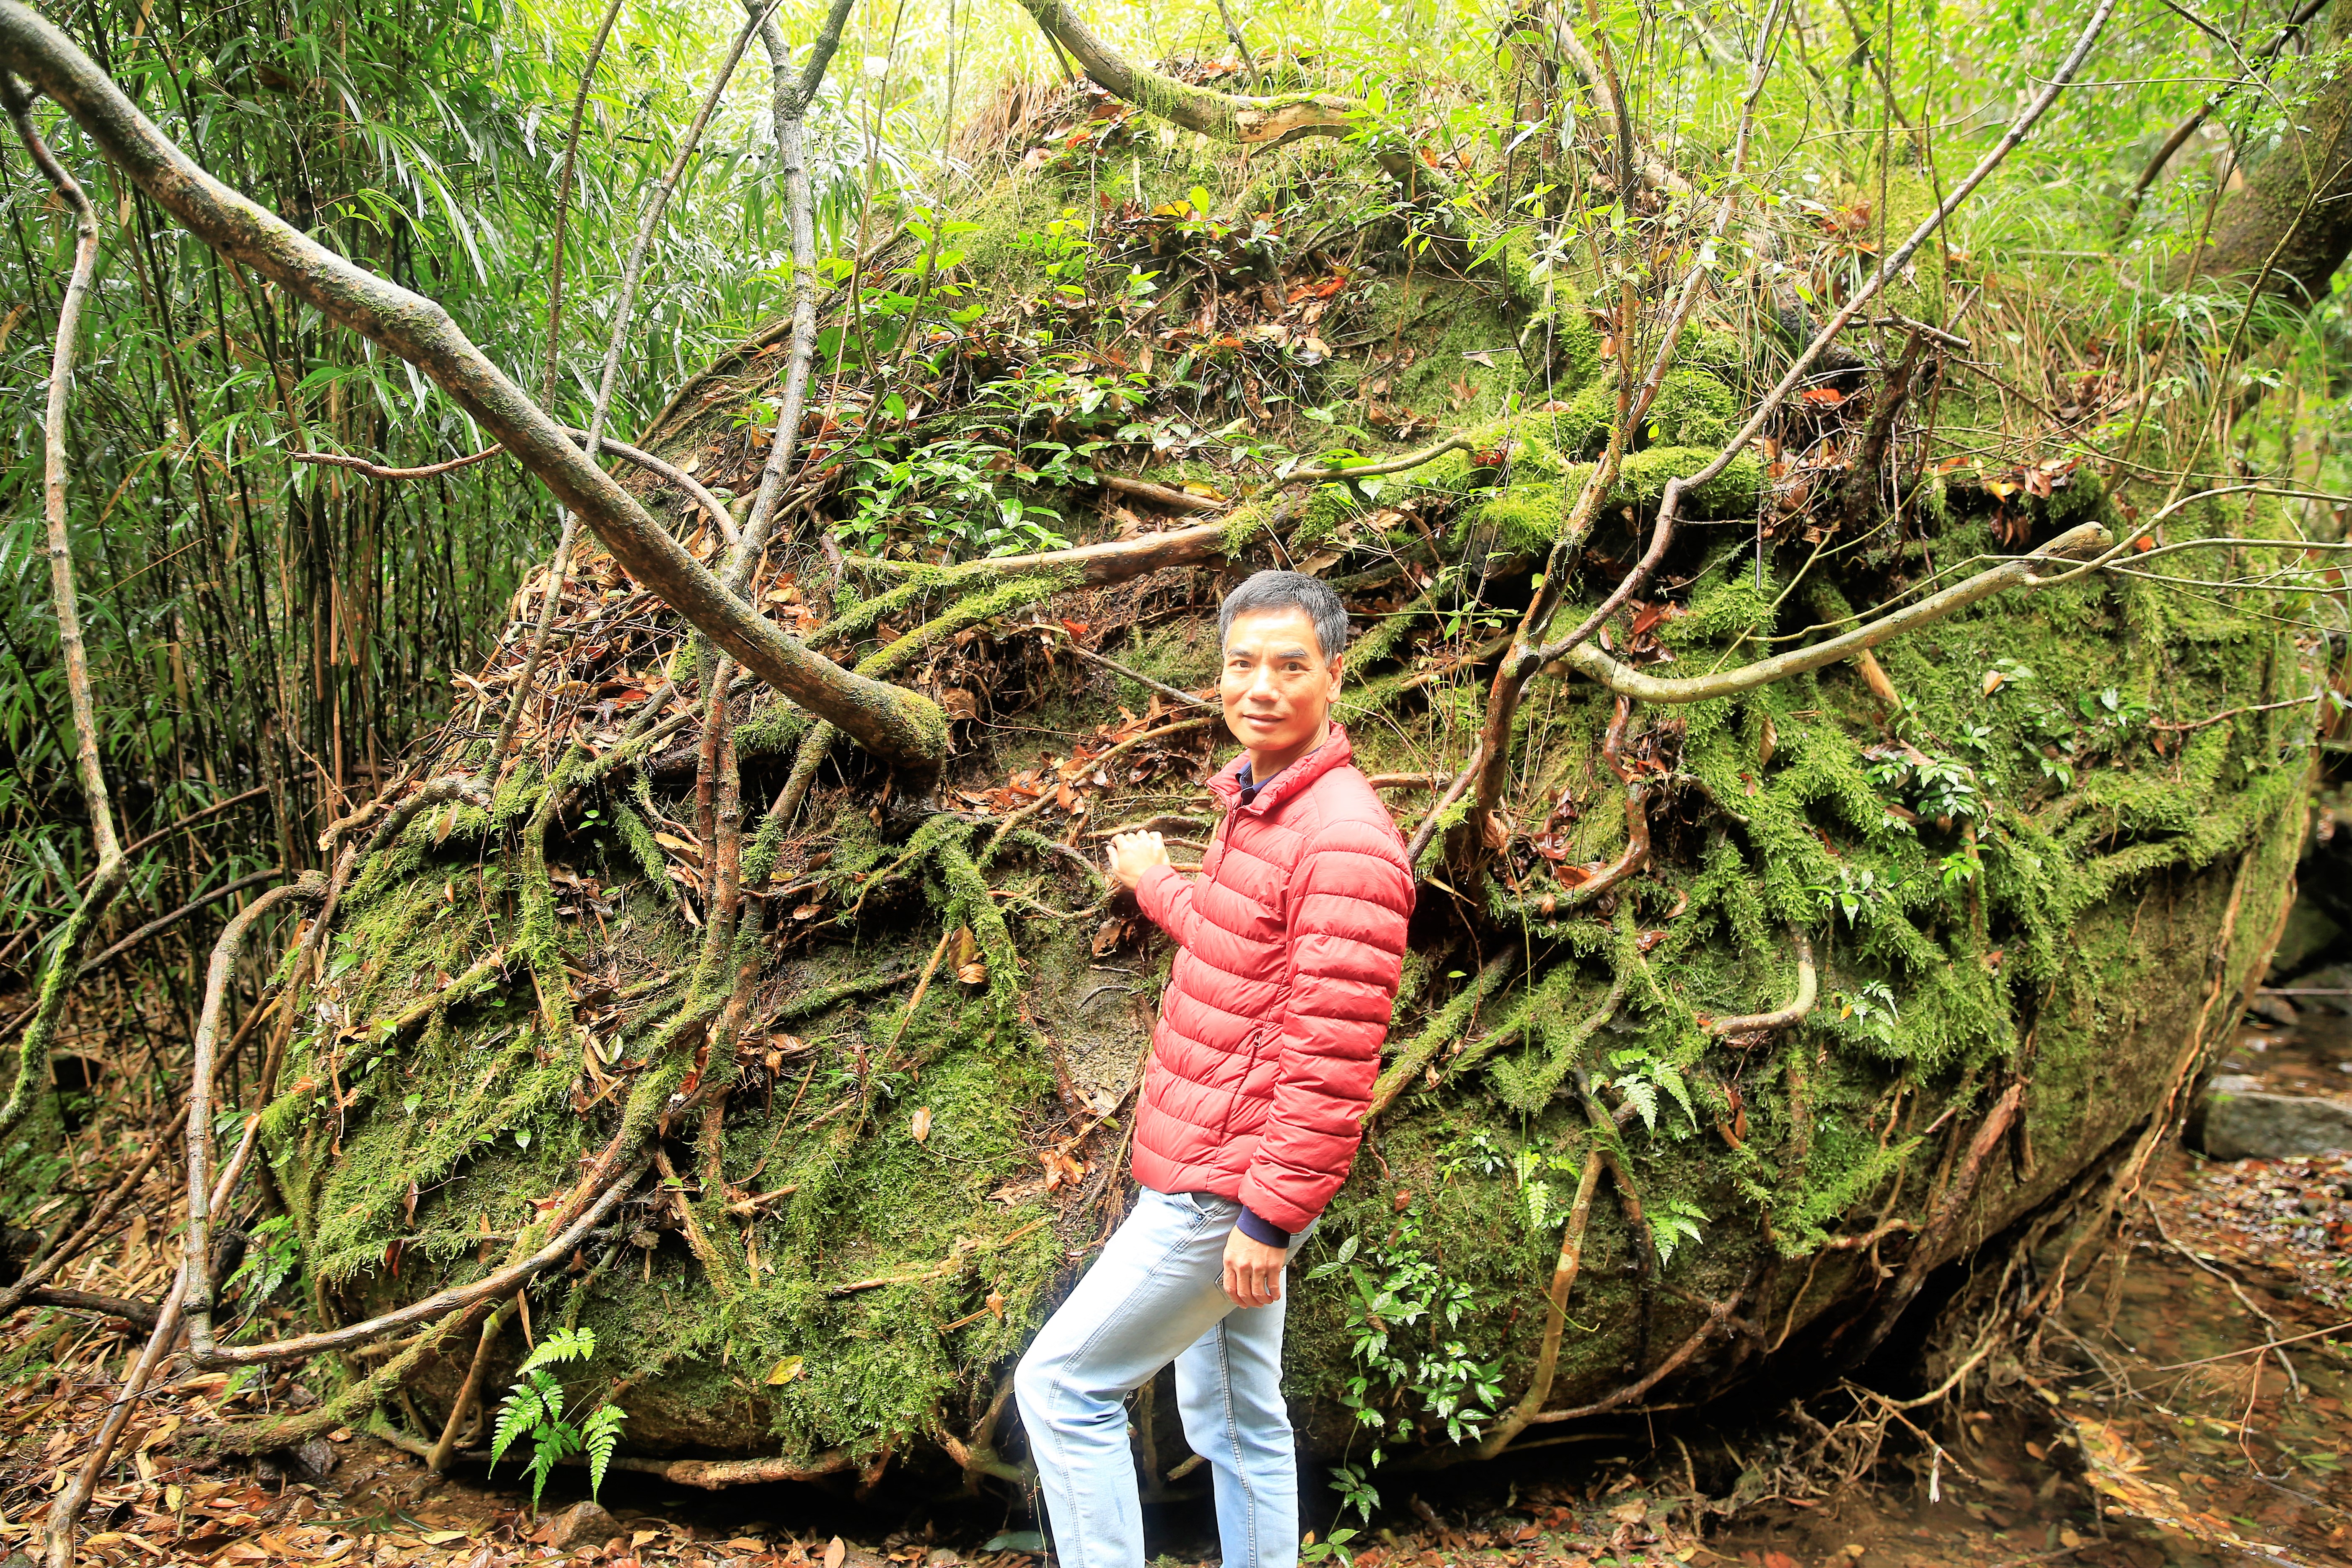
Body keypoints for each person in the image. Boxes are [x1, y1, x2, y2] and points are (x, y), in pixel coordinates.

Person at [1014, 570, 1416, 1568]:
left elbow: (1333, 1056)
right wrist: (1157, 885)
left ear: (1332, 674)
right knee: (1235, 1416)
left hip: (1225, 1188)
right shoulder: (1265, 803)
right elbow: (1241, 949)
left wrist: (1268, 1220)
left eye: (1289, 666)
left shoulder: (1346, 842)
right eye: (1242, 664)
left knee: (1062, 1387)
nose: (1260, 687)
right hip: (1222, 1168)